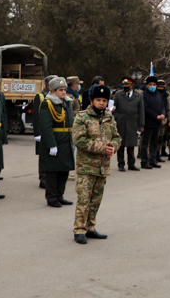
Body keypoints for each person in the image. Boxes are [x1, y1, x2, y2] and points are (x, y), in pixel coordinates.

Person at [71, 84, 121, 244]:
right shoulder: (82, 117)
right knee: (84, 200)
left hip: (102, 167)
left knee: (95, 200)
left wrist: (113, 147)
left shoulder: (109, 118)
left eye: (104, 100)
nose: (101, 103)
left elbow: (117, 137)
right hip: (86, 167)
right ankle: (79, 230)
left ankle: (90, 227)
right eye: (98, 100)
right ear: (92, 101)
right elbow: (78, 140)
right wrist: (102, 148)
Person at [36, 76, 75, 207]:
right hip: (55, 141)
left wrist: (73, 140)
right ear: (53, 91)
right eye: (60, 90)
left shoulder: (68, 102)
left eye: (64, 89)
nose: (64, 92)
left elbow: (71, 123)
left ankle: (60, 195)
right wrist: (52, 145)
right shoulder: (47, 103)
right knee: (52, 172)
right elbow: (46, 127)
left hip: (66, 140)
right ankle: (51, 197)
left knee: (64, 170)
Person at [112, 76, 144, 171]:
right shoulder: (118, 95)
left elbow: (141, 111)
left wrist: (141, 125)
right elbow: (114, 108)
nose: (125, 86)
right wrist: (117, 117)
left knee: (131, 144)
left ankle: (131, 164)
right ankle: (121, 164)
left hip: (133, 122)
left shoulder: (138, 96)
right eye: (124, 84)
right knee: (120, 144)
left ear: (132, 85)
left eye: (127, 84)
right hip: (121, 122)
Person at [32, 75, 57, 190]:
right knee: (43, 155)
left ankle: (51, 178)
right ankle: (42, 179)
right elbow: (36, 116)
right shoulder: (40, 96)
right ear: (48, 85)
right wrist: (37, 133)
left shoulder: (57, 96)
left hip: (53, 130)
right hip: (42, 130)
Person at [141, 75, 165, 169]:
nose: (152, 86)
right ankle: (144, 162)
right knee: (145, 143)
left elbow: (162, 106)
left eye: (154, 84)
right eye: (150, 84)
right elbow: (146, 109)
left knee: (154, 143)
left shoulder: (158, 95)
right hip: (148, 122)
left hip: (157, 123)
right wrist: (156, 116)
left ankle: (152, 160)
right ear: (146, 85)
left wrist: (163, 114)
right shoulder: (143, 95)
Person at [157, 80, 170, 160]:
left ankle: (158, 153)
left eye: (162, 87)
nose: (160, 88)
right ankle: (153, 154)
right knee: (155, 138)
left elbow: (168, 109)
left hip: (164, 120)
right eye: (159, 87)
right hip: (155, 119)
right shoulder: (154, 95)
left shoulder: (166, 96)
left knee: (161, 138)